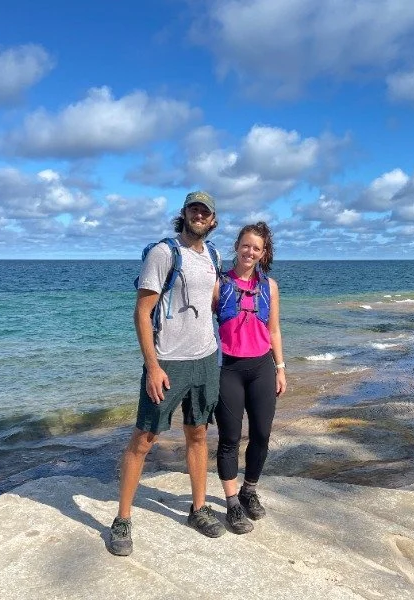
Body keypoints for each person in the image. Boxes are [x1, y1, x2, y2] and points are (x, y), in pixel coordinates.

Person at [108, 191, 225, 556]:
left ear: (213, 219)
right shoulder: (163, 253)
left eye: (205, 211)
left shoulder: (214, 255)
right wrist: (153, 366)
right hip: (168, 362)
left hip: (206, 358)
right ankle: (123, 518)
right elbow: (141, 313)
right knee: (144, 438)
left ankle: (198, 508)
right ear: (184, 214)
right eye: (194, 209)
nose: (199, 215)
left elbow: (214, 303)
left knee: (198, 434)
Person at [213, 221, 287, 534]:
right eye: (245, 245)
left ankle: (249, 490)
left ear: (263, 253)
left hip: (261, 369)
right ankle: (232, 504)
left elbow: (273, 329)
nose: (250, 251)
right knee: (229, 438)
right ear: (237, 246)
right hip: (227, 368)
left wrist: (280, 367)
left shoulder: (269, 286)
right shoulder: (219, 284)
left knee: (261, 435)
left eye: (256, 247)